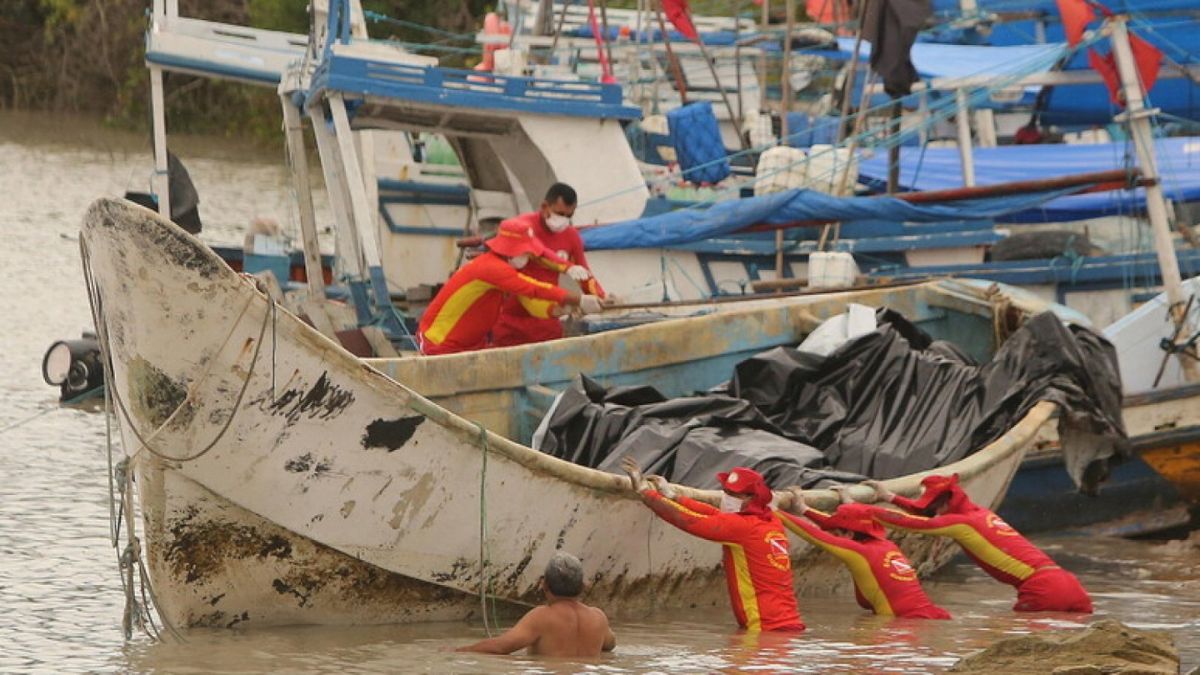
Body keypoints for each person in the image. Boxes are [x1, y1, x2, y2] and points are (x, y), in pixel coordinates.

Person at [861, 474, 1093, 613]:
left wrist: (858, 509)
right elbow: (926, 514)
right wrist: (890, 497)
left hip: (1043, 590)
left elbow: (911, 523)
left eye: (934, 505)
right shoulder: (979, 513)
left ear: (946, 501)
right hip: (1070, 585)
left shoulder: (961, 524)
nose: (933, 511)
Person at [620, 458, 805, 632]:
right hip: (786, 624)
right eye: (726, 492)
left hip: (766, 627)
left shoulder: (741, 527)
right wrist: (674, 496)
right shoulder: (770, 520)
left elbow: (688, 520)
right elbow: (715, 515)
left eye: (733, 494)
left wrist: (646, 492)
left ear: (752, 497)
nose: (727, 497)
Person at [417, 219, 603, 355]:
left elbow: (531, 303)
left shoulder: (504, 270)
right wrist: (579, 299)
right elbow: (534, 288)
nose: (529, 256)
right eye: (526, 252)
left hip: (471, 345)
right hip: (440, 344)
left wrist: (561, 309)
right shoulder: (492, 268)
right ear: (512, 250)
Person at [777, 489, 951, 619]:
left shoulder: (859, 551)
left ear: (850, 534)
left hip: (903, 622)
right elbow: (834, 524)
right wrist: (803, 508)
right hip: (930, 614)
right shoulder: (887, 545)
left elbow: (816, 536)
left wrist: (775, 511)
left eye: (837, 533)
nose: (835, 537)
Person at [491, 183, 606, 348]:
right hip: (510, 319)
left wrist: (602, 298)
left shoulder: (571, 236)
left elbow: (584, 275)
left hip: (548, 318)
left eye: (569, 215)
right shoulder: (522, 228)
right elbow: (540, 254)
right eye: (560, 214)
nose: (563, 220)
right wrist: (566, 267)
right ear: (545, 206)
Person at [457, 551, 617, 657]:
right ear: (583, 587)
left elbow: (501, 647)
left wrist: (460, 651)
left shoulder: (542, 616)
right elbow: (610, 645)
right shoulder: (598, 618)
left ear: (544, 585)